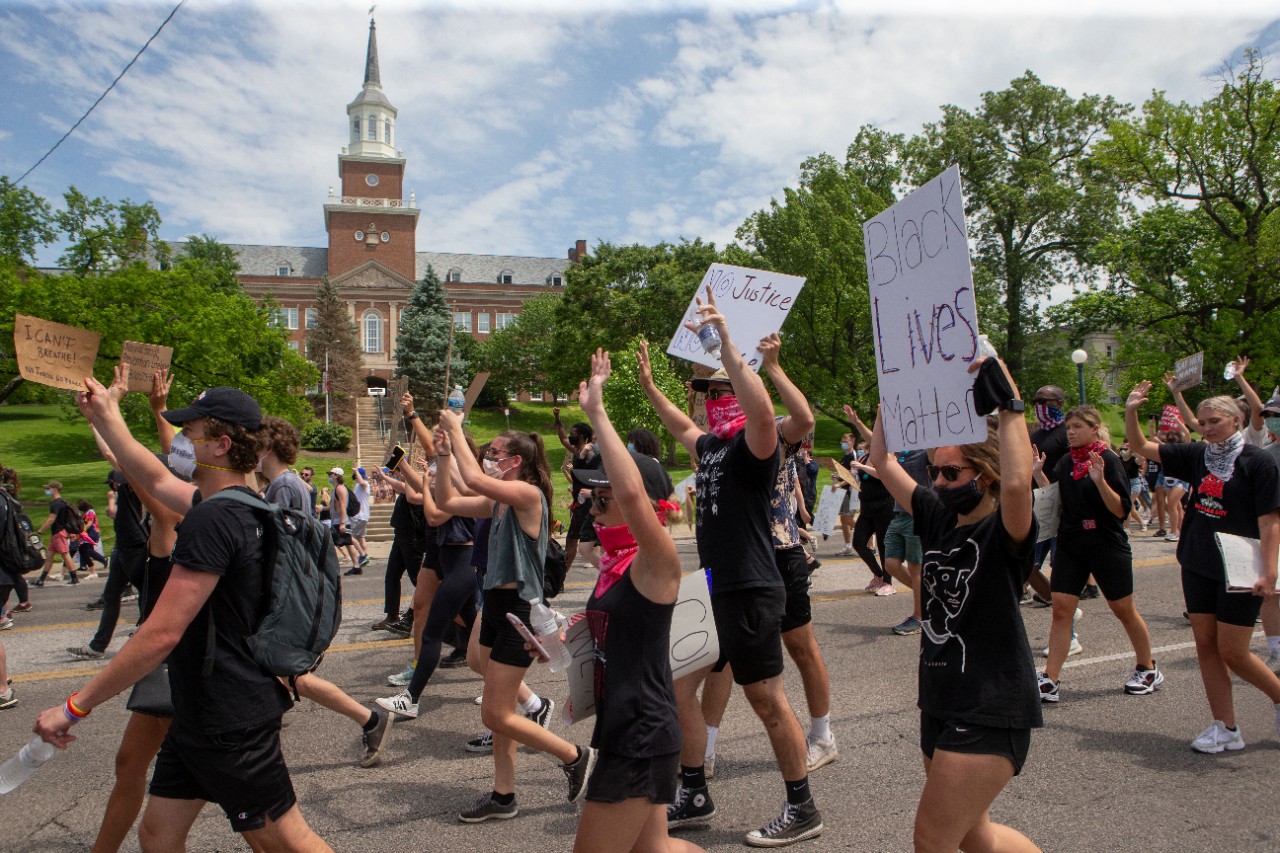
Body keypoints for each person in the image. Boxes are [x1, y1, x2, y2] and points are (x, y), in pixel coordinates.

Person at [35, 367, 335, 853]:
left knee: (284, 837)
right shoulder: (235, 503)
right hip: (198, 710)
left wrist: (74, 707)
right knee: (158, 835)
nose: (181, 442)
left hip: (229, 717)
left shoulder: (215, 519)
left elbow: (161, 633)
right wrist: (106, 415)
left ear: (220, 446)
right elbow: (153, 475)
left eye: (191, 433)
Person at [639, 285, 822, 848]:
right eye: (708, 394)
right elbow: (678, 425)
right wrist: (649, 388)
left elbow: (772, 412)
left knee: (766, 699)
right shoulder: (712, 449)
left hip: (751, 587)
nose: (711, 402)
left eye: (721, 394)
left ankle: (802, 807)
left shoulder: (754, 447)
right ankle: (693, 791)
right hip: (715, 590)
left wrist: (730, 351)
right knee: (676, 687)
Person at [869, 357, 1042, 853]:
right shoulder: (937, 517)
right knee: (975, 837)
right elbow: (883, 463)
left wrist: (1009, 404)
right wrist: (893, 399)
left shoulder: (1007, 529)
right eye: (934, 472)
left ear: (983, 474)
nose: (938, 483)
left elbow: (1016, 483)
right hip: (941, 696)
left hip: (991, 705)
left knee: (932, 839)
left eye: (950, 472)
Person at [552, 349, 706, 853]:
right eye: (587, 500)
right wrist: (564, 639)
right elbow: (618, 627)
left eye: (601, 500)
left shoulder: (654, 562)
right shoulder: (613, 562)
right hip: (624, 726)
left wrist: (598, 412)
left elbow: (634, 497)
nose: (590, 509)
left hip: (642, 735)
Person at [432, 407, 596, 822]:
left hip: (520, 606)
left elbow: (473, 479)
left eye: (495, 452)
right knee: (498, 705)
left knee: (494, 713)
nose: (488, 455)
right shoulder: (497, 502)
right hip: (499, 607)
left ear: (515, 461)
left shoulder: (527, 495)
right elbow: (448, 500)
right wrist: (445, 455)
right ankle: (503, 796)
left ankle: (575, 756)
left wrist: (455, 425)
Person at [1125, 382, 1280, 753]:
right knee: (1206, 647)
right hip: (1197, 561)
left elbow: (1270, 521)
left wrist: (1270, 571)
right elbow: (1142, 447)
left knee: (1234, 651)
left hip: (1240, 565)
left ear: (1237, 420)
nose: (1208, 428)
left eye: (1216, 421)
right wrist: (1131, 411)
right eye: (1204, 422)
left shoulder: (1258, 461)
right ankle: (1225, 727)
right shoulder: (1198, 454)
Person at [259, 416, 393, 768]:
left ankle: (369, 720)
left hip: (283, 590)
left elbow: (284, 546)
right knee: (283, 674)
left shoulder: (284, 487)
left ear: (268, 447)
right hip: (286, 587)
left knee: (288, 673)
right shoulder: (284, 485)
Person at [1037, 406, 1161, 704]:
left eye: (1078, 426)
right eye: (1068, 427)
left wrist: (1099, 481)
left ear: (1094, 428)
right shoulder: (1066, 461)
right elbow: (1056, 501)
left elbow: (1121, 510)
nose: (1070, 432)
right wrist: (1037, 475)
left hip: (1105, 543)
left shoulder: (1108, 460)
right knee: (1061, 610)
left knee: (1123, 610)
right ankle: (1050, 679)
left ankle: (1148, 668)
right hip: (1071, 542)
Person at [554, 408, 600, 572]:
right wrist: (557, 417)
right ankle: (561, 578)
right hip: (580, 504)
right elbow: (562, 437)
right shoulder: (576, 451)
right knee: (573, 540)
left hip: (587, 506)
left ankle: (561, 578)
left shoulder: (589, 455)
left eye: (573, 433)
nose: (570, 436)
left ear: (581, 436)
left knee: (576, 540)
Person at [33, 480, 80, 586]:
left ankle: (74, 578)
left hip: (59, 533)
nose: (47, 491)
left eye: (48, 489)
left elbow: (51, 519)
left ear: (54, 489)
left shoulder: (56, 504)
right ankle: (41, 579)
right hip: (57, 534)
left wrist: (40, 531)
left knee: (65, 555)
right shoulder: (62, 502)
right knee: (49, 555)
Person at [329, 468, 363, 574]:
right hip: (337, 521)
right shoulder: (335, 488)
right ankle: (357, 565)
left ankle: (357, 564)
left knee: (343, 542)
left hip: (341, 522)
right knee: (348, 542)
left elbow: (343, 506)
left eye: (331, 474)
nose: (329, 476)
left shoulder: (340, 488)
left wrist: (342, 523)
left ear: (336, 475)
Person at [350, 467, 373, 569]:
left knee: (348, 536)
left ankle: (363, 555)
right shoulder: (358, 486)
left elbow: (361, 482)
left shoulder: (364, 484)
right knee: (360, 537)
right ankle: (365, 557)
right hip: (362, 515)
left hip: (359, 516)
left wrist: (356, 471)